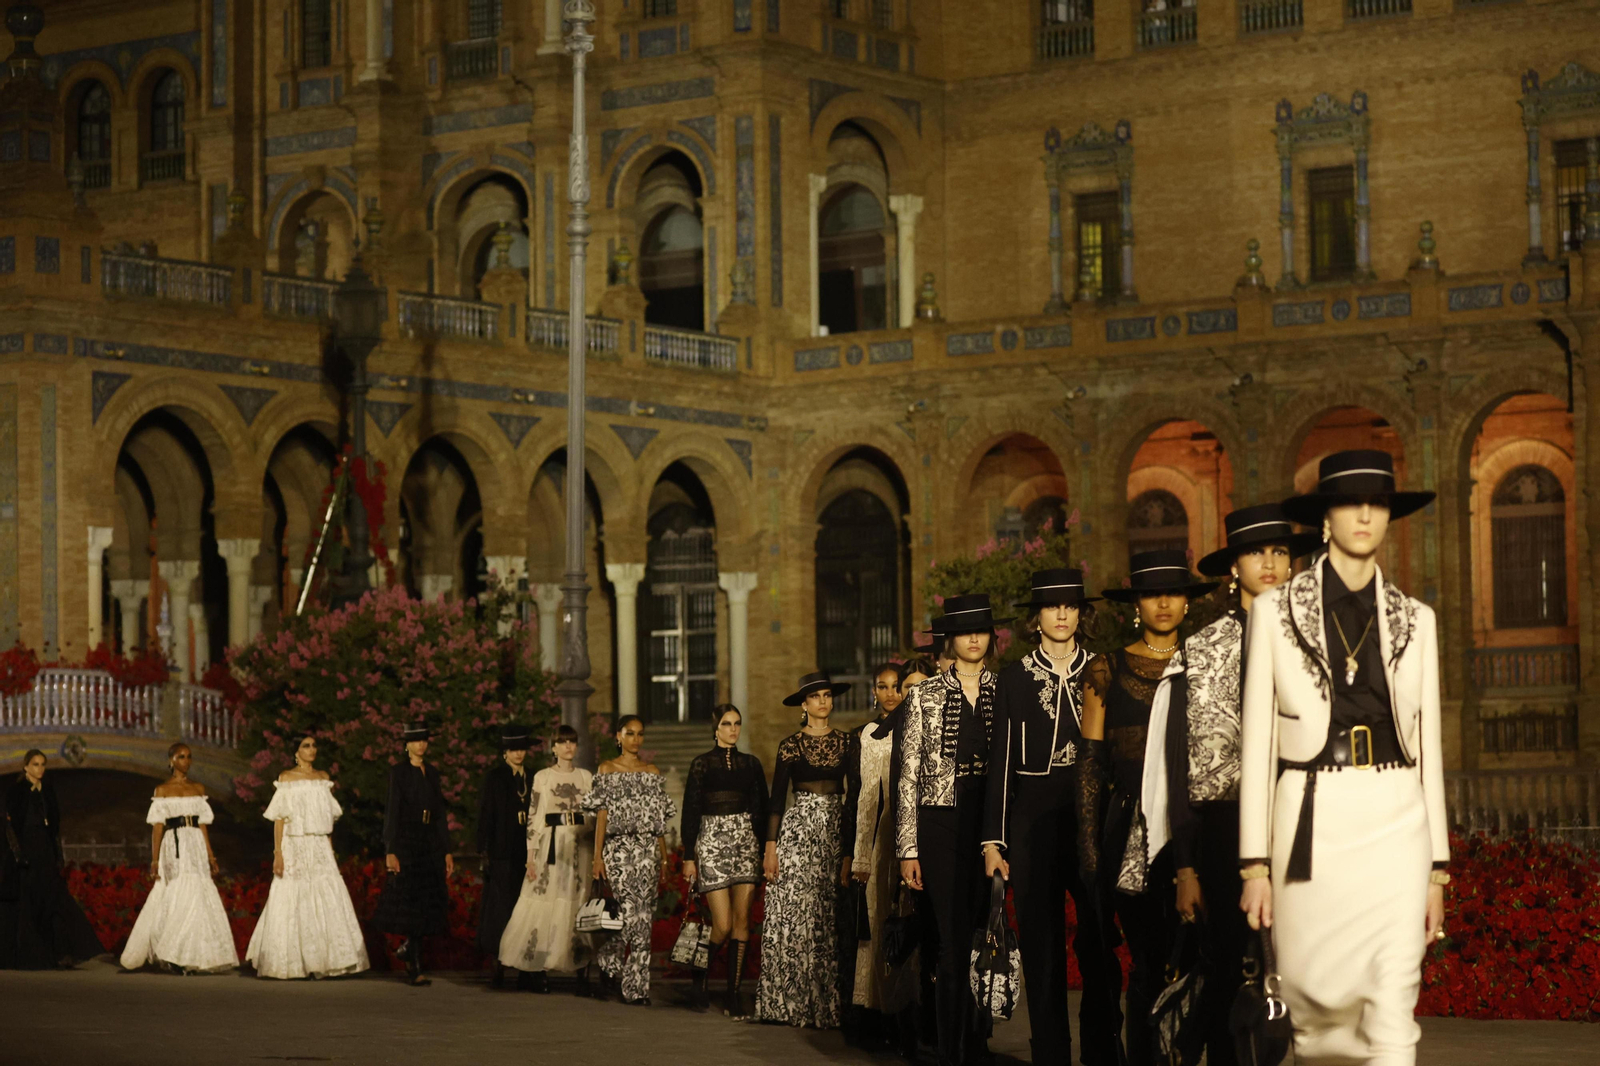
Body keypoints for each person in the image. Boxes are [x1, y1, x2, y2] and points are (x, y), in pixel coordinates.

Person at [1240, 451, 1449, 1066]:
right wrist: (1254, 864)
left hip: (1396, 817)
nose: (1365, 514)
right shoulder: (1275, 614)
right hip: (1312, 818)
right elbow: (1258, 743)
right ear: (1325, 517)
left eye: (1378, 502)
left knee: (1392, 1006)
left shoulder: (1419, 620)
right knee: (1316, 1019)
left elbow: (1429, 750)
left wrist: (1438, 867)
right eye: (1350, 502)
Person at [1139, 505, 1319, 1064]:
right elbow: (1177, 765)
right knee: (1224, 966)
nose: (1270, 562)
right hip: (1222, 825)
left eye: (1281, 551)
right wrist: (1185, 866)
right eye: (1256, 552)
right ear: (1233, 568)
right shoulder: (1202, 649)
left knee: (1297, 969)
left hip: (1298, 821)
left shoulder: (1316, 644)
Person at [1077, 550, 1215, 1066]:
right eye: (1152, 593)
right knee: (1147, 962)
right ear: (1137, 603)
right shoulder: (1105, 668)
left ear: (1186, 602)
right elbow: (1089, 765)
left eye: (1173, 592)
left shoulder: (1206, 665)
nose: (1163, 602)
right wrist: (1089, 850)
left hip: (1197, 828)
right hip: (1130, 831)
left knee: (1200, 959)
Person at [983, 569, 1123, 1066]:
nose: (1062, 614)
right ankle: (1051, 1057)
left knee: (1097, 941)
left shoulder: (1103, 669)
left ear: (1080, 613)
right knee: (1042, 952)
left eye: (1070, 606)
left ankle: (1102, 1052)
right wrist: (992, 842)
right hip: (1032, 819)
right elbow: (999, 763)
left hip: (1090, 818)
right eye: (1052, 606)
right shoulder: (1015, 677)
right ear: (1036, 617)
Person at [897, 593, 1005, 1066]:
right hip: (939, 822)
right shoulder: (923, 695)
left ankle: (977, 1042)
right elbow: (907, 772)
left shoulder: (1007, 691)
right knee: (950, 941)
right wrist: (907, 847)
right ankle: (951, 1052)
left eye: (981, 630)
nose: (974, 638)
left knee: (984, 934)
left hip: (991, 821)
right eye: (965, 632)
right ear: (951, 640)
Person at [755, 672, 860, 1029]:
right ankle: (789, 1002)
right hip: (798, 832)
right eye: (816, 697)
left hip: (834, 828)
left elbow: (855, 796)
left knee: (828, 916)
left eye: (828, 695)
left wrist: (850, 849)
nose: (823, 702)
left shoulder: (847, 743)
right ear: (804, 705)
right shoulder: (789, 745)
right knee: (794, 913)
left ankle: (828, 1004)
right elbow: (775, 801)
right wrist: (770, 849)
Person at [245, 734, 370, 980]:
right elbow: (279, 819)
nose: (312, 749)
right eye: (306, 745)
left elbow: (329, 821)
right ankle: (294, 962)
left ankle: (325, 961)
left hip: (320, 845)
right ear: (296, 751)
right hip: (295, 845)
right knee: (292, 895)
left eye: (314, 745)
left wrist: (330, 852)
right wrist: (278, 853)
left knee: (327, 895)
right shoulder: (287, 779)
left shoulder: (323, 779)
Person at [120, 743, 238, 974]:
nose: (186, 761)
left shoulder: (198, 788)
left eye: (189, 757)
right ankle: (172, 952)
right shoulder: (162, 790)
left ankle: (190, 953)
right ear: (171, 760)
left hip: (195, 843)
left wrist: (211, 855)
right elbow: (157, 828)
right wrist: (154, 860)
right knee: (179, 891)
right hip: (174, 844)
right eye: (181, 757)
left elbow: (202, 824)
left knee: (197, 893)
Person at [680, 704, 767, 1015]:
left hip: (746, 842)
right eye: (727, 724)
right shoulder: (701, 764)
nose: (733, 729)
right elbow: (690, 810)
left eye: (737, 723)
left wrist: (765, 849)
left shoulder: (751, 764)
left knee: (743, 921)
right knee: (723, 923)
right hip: (712, 843)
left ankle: (733, 994)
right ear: (715, 728)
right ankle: (699, 975)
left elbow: (761, 806)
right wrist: (688, 856)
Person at [584, 715, 674, 1006]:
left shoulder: (652, 771)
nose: (636, 739)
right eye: (630, 733)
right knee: (627, 914)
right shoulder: (607, 769)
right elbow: (601, 816)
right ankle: (610, 960)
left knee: (643, 918)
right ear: (618, 737)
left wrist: (662, 859)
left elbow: (658, 821)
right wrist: (598, 858)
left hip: (647, 850)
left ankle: (637, 987)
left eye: (640, 734)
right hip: (619, 850)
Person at [499, 724, 595, 994]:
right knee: (545, 900)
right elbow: (534, 816)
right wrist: (532, 855)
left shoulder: (586, 776)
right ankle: (538, 967)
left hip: (579, 844)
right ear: (553, 747)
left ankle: (578, 965)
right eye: (562, 742)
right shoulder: (543, 776)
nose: (568, 747)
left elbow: (594, 813)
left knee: (577, 900)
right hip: (552, 843)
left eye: (572, 742)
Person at [846, 663, 907, 1048]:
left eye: (896, 686)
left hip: (909, 837)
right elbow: (861, 798)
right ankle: (871, 1018)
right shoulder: (866, 735)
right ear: (873, 692)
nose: (890, 693)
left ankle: (905, 1018)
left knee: (904, 927)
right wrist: (857, 856)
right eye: (882, 687)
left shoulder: (916, 726)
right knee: (873, 926)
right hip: (877, 840)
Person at [0, 751, 103, 969]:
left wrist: (58, 855)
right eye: (35, 764)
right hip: (26, 851)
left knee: (53, 900)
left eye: (43, 764)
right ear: (26, 767)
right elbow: (10, 827)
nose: (40, 769)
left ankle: (61, 952)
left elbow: (54, 828)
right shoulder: (17, 792)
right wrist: (18, 854)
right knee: (27, 902)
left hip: (44, 851)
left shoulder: (46, 790)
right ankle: (28, 956)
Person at [372, 721, 454, 986]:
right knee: (410, 899)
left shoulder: (431, 773)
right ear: (407, 745)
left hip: (429, 840)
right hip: (407, 840)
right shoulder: (399, 773)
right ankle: (414, 965)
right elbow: (392, 811)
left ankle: (410, 950)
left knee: (428, 900)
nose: (421, 745)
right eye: (416, 740)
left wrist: (446, 850)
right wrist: (391, 849)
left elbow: (440, 814)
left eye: (424, 740)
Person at [478, 723, 534, 986]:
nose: (518, 754)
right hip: (502, 851)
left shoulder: (533, 777)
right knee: (501, 908)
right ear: (505, 752)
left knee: (527, 909)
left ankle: (526, 965)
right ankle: (498, 963)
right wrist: (484, 850)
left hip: (528, 852)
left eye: (521, 748)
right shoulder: (496, 778)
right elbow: (486, 814)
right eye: (513, 749)